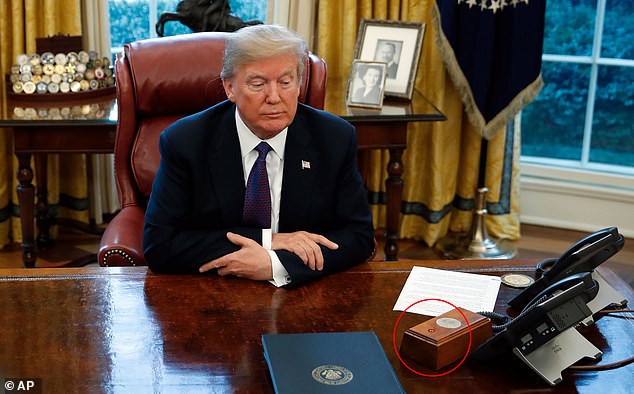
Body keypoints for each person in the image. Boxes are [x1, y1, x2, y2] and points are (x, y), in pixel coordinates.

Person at [143, 24, 375, 287]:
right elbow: (160, 245)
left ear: (299, 84)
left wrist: (275, 264)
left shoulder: (334, 138)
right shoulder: (186, 141)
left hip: (303, 292)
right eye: (258, 84)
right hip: (213, 292)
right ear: (230, 88)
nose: (274, 97)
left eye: (286, 82)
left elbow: (359, 237)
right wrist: (268, 240)